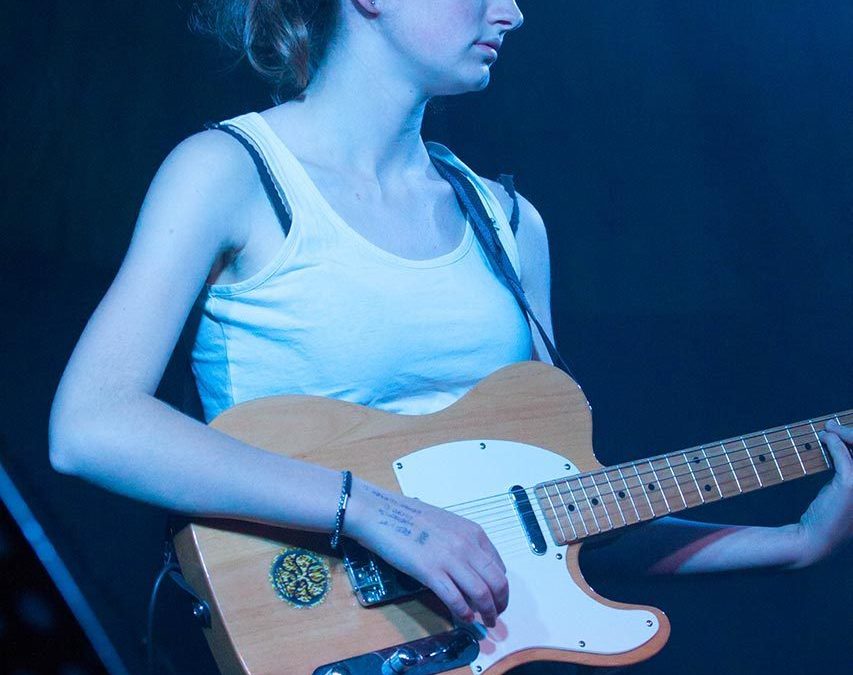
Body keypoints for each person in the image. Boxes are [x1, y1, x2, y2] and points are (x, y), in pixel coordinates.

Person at [48, 0, 851, 650]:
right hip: (305, 628)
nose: (514, 13)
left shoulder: (510, 223)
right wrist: (376, 511)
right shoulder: (231, 172)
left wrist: (794, 541)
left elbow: (555, 520)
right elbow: (91, 425)